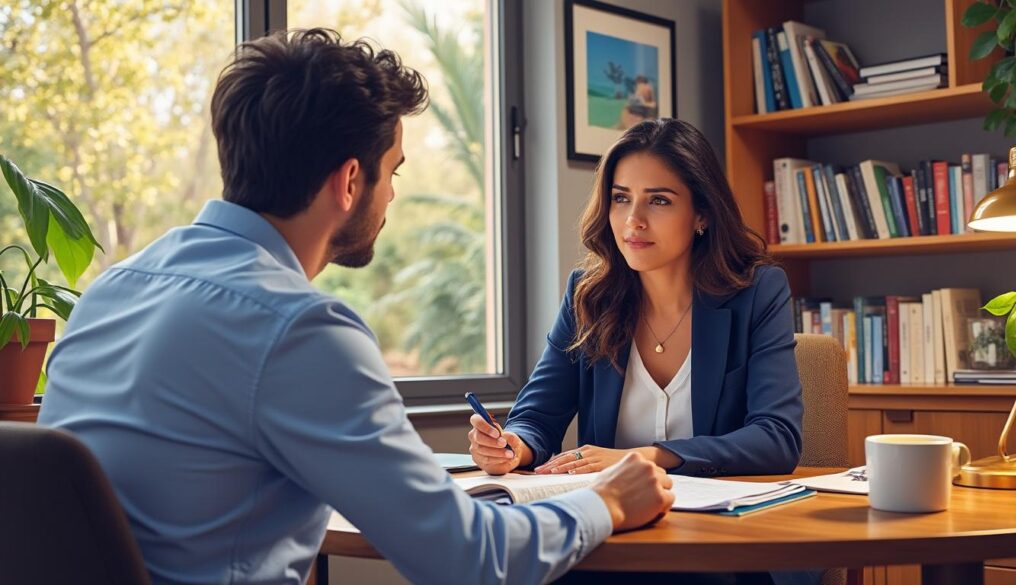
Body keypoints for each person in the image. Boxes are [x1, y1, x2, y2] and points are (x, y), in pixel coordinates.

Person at [37, 28, 675, 585]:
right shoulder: (297, 328)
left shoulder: (111, 291)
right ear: (349, 182)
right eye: (392, 171)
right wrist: (608, 503)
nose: (392, 195)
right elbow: (470, 560)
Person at [467, 119, 818, 585]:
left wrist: (648, 458)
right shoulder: (587, 295)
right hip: (617, 535)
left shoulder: (757, 292)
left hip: (724, 539)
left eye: (659, 200)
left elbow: (776, 439)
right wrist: (514, 445)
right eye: (620, 197)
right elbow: (538, 414)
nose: (633, 220)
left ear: (702, 214)